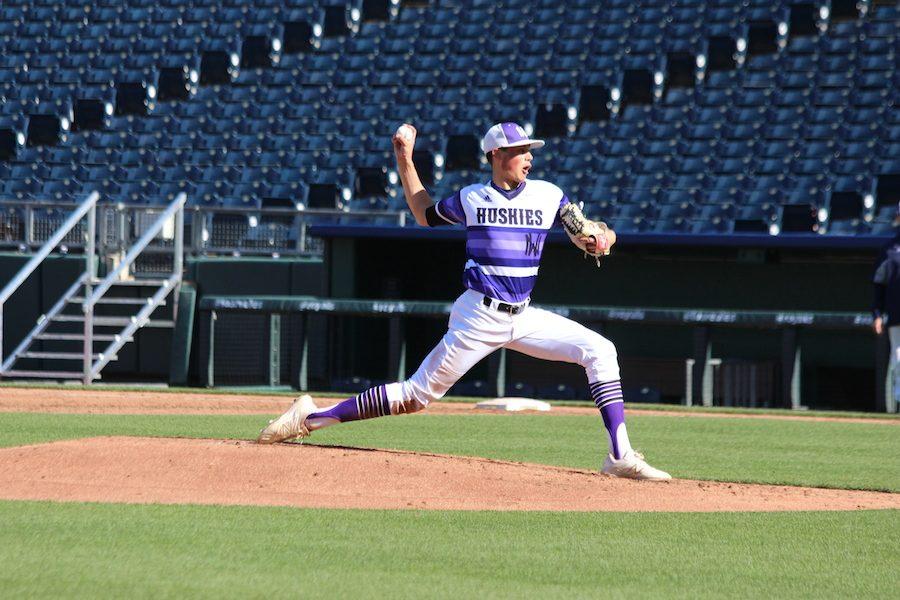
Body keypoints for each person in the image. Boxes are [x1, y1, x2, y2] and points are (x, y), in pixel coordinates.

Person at [258, 122, 671, 480]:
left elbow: (586, 232)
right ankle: (309, 418)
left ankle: (620, 456)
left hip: (523, 316)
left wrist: (602, 238)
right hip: (479, 315)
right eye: (520, 151)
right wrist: (405, 158)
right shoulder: (473, 198)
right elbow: (422, 212)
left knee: (600, 350)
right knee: (415, 397)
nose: (529, 157)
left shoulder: (549, 195)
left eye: (530, 150)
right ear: (496, 155)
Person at [872, 204, 900, 413]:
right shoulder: (890, 249)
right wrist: (877, 314)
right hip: (897, 313)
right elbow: (879, 285)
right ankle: (898, 401)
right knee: (898, 358)